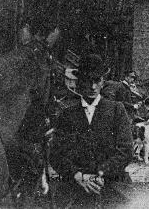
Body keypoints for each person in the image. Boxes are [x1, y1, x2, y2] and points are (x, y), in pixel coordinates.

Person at [50, 54, 132, 207]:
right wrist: (78, 176)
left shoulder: (116, 110)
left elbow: (125, 151)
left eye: (97, 80)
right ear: (80, 82)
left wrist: (101, 173)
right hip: (76, 190)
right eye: (88, 80)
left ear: (103, 82)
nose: (93, 86)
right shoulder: (67, 115)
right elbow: (56, 154)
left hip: (112, 187)